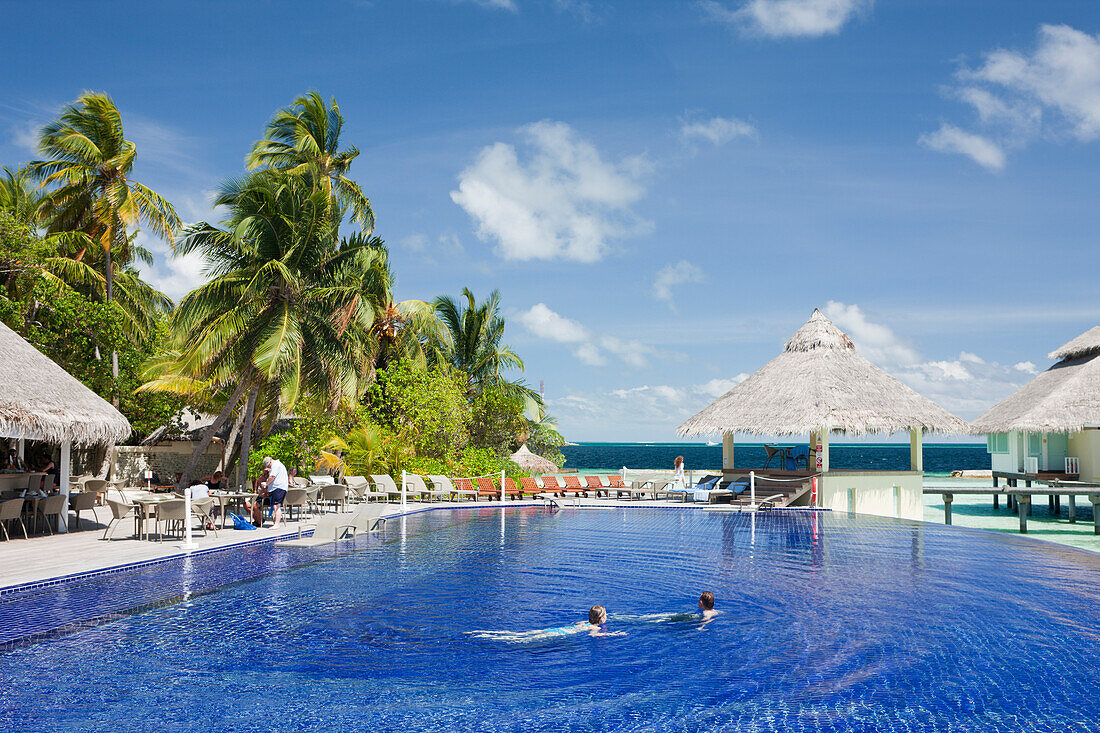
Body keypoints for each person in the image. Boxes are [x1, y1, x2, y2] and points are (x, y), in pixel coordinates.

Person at [261, 456, 289, 529]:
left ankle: (277, 524)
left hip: (278, 488)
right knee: (275, 505)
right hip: (279, 488)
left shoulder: (275, 465)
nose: (268, 467)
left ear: (270, 462)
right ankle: (276, 523)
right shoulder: (277, 464)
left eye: (268, 465)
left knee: (276, 506)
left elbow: (272, 477)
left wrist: (266, 483)